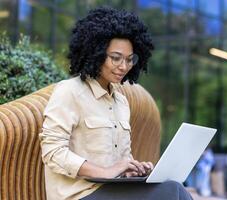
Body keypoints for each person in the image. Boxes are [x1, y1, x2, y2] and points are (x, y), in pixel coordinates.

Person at [39, 6, 193, 200]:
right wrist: (105, 171)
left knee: (173, 187)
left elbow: (121, 160)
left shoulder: (121, 101)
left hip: (112, 191)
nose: (123, 66)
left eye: (129, 59)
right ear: (96, 53)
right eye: (115, 58)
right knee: (172, 191)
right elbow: (53, 153)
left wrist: (131, 168)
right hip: (78, 194)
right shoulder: (69, 92)